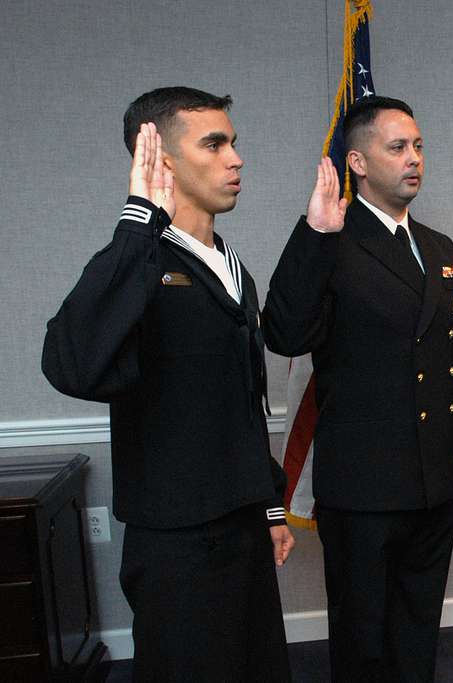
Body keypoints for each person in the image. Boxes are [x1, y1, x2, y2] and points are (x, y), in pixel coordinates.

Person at [42, 87, 293, 682]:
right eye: (214, 143)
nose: (236, 158)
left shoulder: (235, 271)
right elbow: (71, 364)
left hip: (243, 528)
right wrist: (138, 221)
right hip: (177, 541)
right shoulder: (139, 261)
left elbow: (244, 403)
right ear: (161, 159)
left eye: (233, 142)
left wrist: (271, 506)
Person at [262, 95, 453, 681]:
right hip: (362, 486)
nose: (414, 159)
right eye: (397, 148)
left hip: (434, 479)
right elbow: (284, 333)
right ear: (357, 162)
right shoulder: (331, 238)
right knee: (363, 639)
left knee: (417, 623)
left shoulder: (439, 247)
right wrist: (314, 234)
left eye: (418, 147)